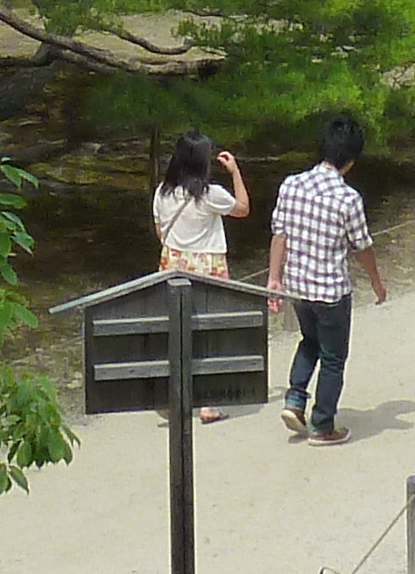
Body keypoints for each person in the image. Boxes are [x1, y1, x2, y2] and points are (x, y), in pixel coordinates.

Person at [265, 110, 387, 443]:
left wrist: (274, 278)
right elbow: (362, 246)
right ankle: (322, 424)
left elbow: (280, 234)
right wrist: (376, 281)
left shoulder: (292, 185)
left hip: (298, 288)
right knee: (333, 358)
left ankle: (294, 399)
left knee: (309, 342)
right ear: (351, 160)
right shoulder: (348, 199)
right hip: (331, 291)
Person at [150, 131, 251, 421]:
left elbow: (160, 232)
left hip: (172, 263)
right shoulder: (209, 194)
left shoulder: (162, 193)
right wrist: (235, 172)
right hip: (208, 267)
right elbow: (243, 208)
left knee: (176, 333)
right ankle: (208, 403)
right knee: (211, 334)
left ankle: (171, 396)